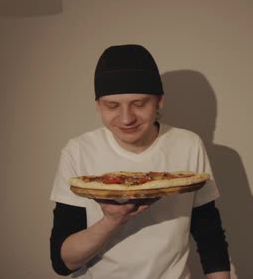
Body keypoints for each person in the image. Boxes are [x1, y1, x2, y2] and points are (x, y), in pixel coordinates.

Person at [49, 44, 231, 278]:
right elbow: (63, 263)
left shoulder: (188, 144)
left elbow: (209, 234)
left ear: (159, 101)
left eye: (139, 103)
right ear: (98, 106)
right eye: (112, 106)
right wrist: (112, 221)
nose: (126, 119)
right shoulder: (79, 151)